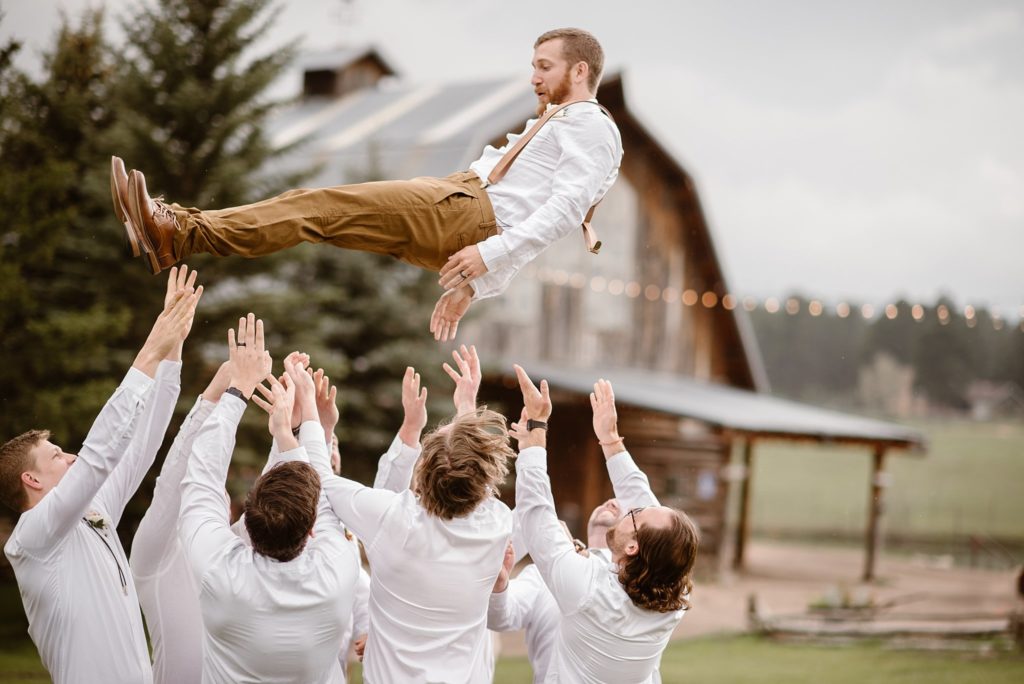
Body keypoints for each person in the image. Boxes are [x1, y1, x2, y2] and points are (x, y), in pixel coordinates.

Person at [111, 27, 623, 341]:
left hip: (466, 212)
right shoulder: (563, 120)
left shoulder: (590, 125)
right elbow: (536, 207)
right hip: (462, 207)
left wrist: (489, 259)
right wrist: (477, 284)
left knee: (318, 206)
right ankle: (173, 233)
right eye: (533, 66)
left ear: (579, 70)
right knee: (317, 213)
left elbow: (562, 212)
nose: (533, 78)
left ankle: (178, 232)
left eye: (544, 67)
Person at [0, 271, 202, 684]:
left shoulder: (94, 510)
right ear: (31, 480)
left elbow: (142, 444)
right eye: (57, 456)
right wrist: (149, 350)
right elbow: (98, 454)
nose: (71, 457)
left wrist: (172, 349)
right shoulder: (31, 539)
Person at [309, 348, 514, 683]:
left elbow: (320, 478)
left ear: (423, 470)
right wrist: (466, 404)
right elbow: (477, 478)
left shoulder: (393, 518)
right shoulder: (496, 524)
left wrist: (316, 423)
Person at [178, 315, 360, 683]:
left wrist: (239, 389)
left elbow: (202, 475)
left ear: (246, 519)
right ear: (311, 531)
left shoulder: (219, 571)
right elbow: (324, 491)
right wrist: (298, 424)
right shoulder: (338, 569)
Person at [509, 369, 700, 683]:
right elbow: (648, 511)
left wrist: (536, 433)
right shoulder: (671, 601)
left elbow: (537, 517)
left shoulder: (586, 590)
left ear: (632, 547)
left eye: (635, 514)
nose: (630, 506)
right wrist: (610, 438)